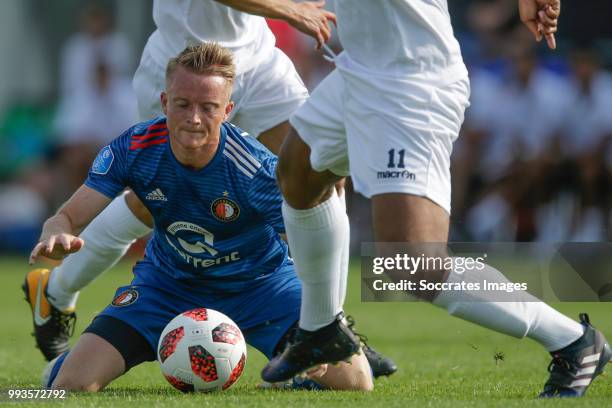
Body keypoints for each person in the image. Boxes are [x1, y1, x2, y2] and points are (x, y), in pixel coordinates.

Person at [23, 0, 396, 378]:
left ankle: (326, 325)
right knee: (149, 200)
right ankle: (56, 289)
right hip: (185, 56)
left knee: (321, 178)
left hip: (257, 56)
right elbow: (70, 213)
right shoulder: (146, 129)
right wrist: (288, 9)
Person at [261, 0, 611, 398]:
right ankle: (321, 329)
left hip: (412, 82)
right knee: (298, 174)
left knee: (413, 262)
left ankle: (574, 341)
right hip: (360, 70)